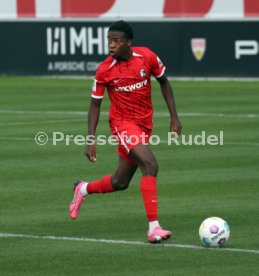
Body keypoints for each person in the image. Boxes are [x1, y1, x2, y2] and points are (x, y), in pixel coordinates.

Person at [69, 20, 182, 243]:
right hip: (122, 124)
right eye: (109, 40)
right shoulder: (104, 70)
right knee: (150, 164)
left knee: (120, 182)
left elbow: (164, 82)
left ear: (128, 42)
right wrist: (90, 139)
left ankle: (83, 189)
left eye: (116, 41)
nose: (111, 45)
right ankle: (154, 228)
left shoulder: (147, 56)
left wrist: (174, 116)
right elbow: (95, 105)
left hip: (144, 124)